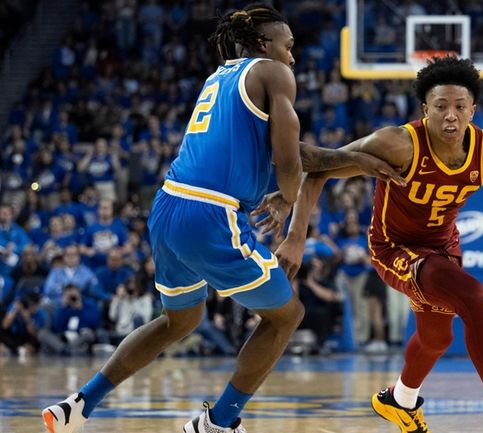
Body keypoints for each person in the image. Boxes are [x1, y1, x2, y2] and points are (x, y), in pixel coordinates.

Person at [42, 5, 402, 433]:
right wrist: (288, 202)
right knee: (287, 315)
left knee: (181, 320)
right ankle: (219, 422)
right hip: (210, 213)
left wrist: (356, 160)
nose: (292, 57)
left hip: (169, 205)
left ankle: (78, 405)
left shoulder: (222, 76)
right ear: (265, 44)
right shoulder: (273, 72)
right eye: (288, 46)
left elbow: (297, 151)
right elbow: (288, 162)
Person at [272, 57, 483, 433]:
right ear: (425, 109)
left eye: (460, 107)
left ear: (473, 110)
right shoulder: (396, 143)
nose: (450, 116)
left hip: (443, 247)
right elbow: (318, 171)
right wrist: (296, 237)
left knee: (436, 336)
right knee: (477, 300)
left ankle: (399, 401)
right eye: (441, 107)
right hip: (394, 248)